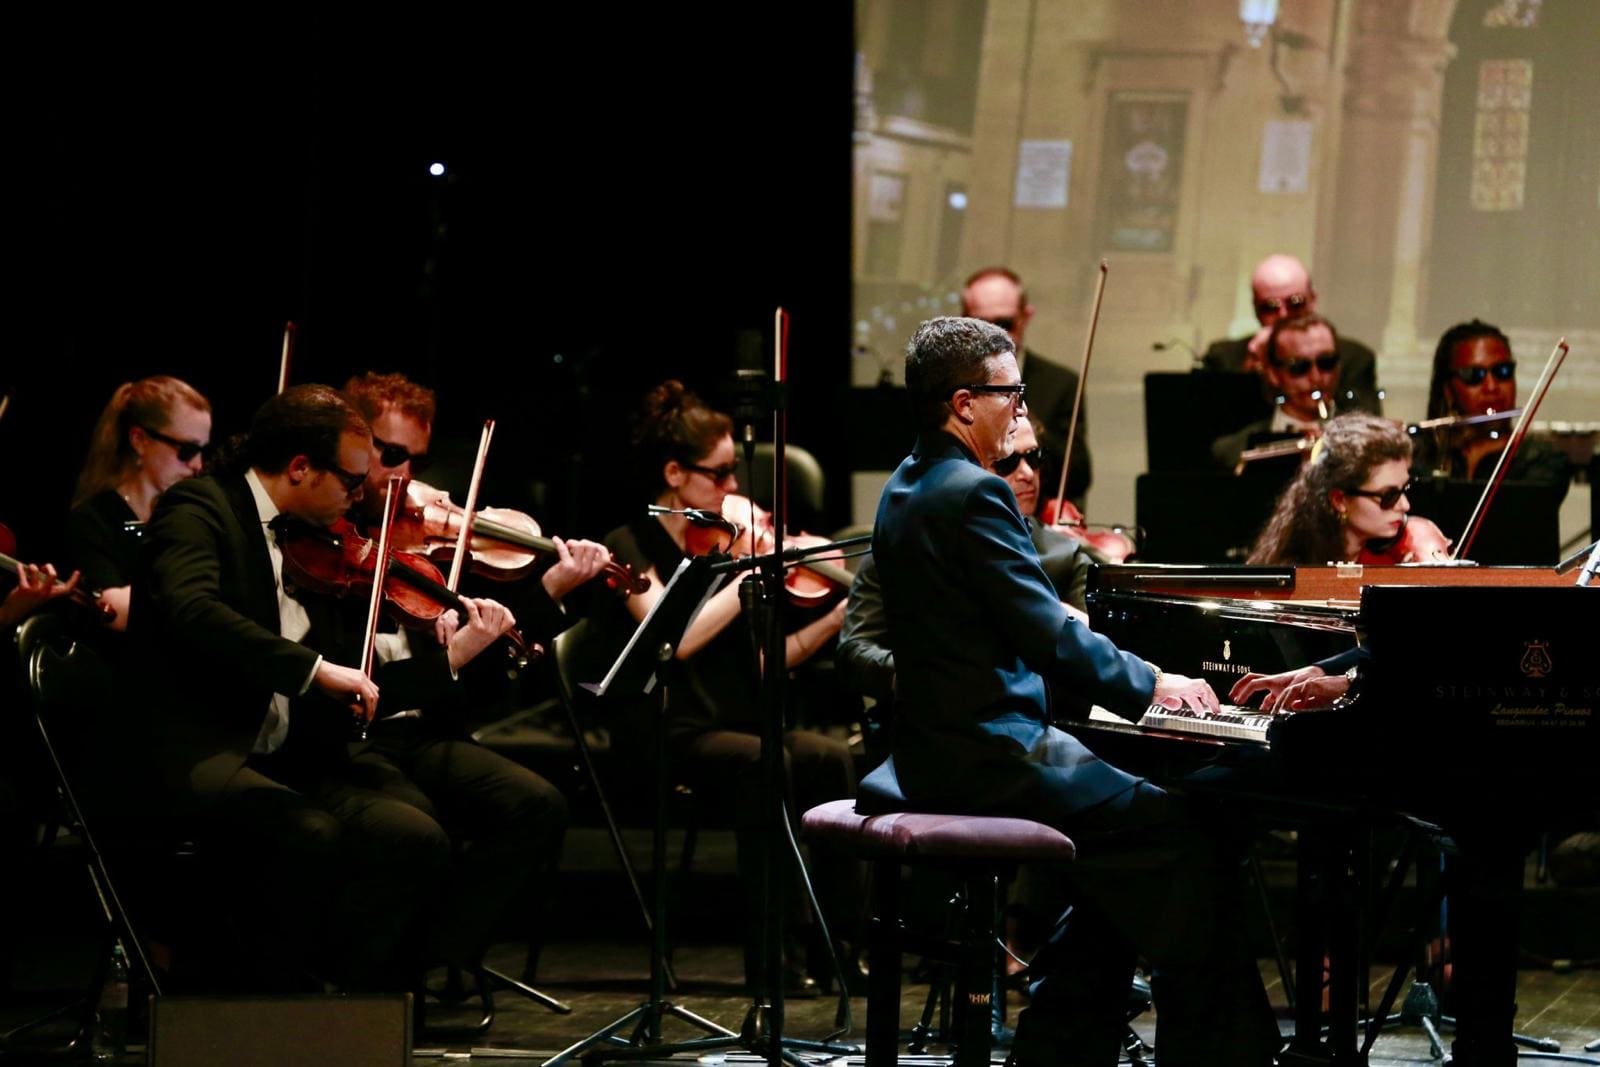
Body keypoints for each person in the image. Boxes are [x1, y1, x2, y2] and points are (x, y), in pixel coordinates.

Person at [870, 316, 1279, 1067]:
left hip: (934, 747)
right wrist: (1157, 684)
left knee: (1125, 862)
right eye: (1011, 394)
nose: (1021, 409)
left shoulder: (906, 482)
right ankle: (1220, 1053)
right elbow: (1049, 635)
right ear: (964, 402)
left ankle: (1062, 1043)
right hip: (989, 752)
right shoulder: (974, 493)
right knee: (1181, 832)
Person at [128, 384, 533, 993]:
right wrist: (312, 670)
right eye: (350, 479)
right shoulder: (199, 509)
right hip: (203, 747)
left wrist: (449, 657)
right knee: (308, 834)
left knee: (414, 834)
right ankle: (264, 1002)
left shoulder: (313, 543)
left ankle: (355, 1003)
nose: (360, 493)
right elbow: (193, 609)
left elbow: (361, 674)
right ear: (299, 468)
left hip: (287, 752)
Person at [595, 379, 858, 996]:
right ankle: (775, 958)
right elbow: (674, 638)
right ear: (675, 474)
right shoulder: (629, 545)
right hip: (667, 731)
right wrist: (742, 571)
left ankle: (841, 945)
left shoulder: (725, 546)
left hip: (735, 720)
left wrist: (834, 616)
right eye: (719, 475)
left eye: (734, 472)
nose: (734, 489)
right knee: (766, 762)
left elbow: (771, 664)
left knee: (830, 758)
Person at [66, 376, 212, 629]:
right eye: (187, 450)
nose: (198, 465)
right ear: (140, 440)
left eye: (202, 451)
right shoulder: (94, 519)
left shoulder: (183, 516)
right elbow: (114, 611)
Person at [961, 267, 1092, 508]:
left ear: (1026, 316)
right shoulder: (951, 385)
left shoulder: (1060, 384)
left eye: (1004, 323)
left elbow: (1078, 476)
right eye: (981, 324)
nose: (994, 335)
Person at [1247, 411, 1451, 565]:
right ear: (1340, 501)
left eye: (1404, 489)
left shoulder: (1407, 553)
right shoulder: (1295, 569)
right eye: (1389, 495)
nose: (1405, 505)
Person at [1202, 252, 1381, 414]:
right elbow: (1214, 431)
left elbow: (1365, 428)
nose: (1283, 315)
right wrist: (1250, 369)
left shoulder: (1353, 358)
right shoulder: (1225, 358)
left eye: (1295, 303)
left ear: (1313, 300)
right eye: (1270, 307)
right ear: (1256, 310)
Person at [1413, 320, 1570, 499]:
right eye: (1474, 375)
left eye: (1503, 371)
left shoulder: (1540, 460)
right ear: (1448, 390)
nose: (1491, 386)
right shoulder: (1418, 457)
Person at [1211, 312, 1352, 472]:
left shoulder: (1368, 442)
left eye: (1326, 362)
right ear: (1274, 375)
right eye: (1299, 367)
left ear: (1339, 366)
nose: (1316, 377)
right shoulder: (1232, 451)